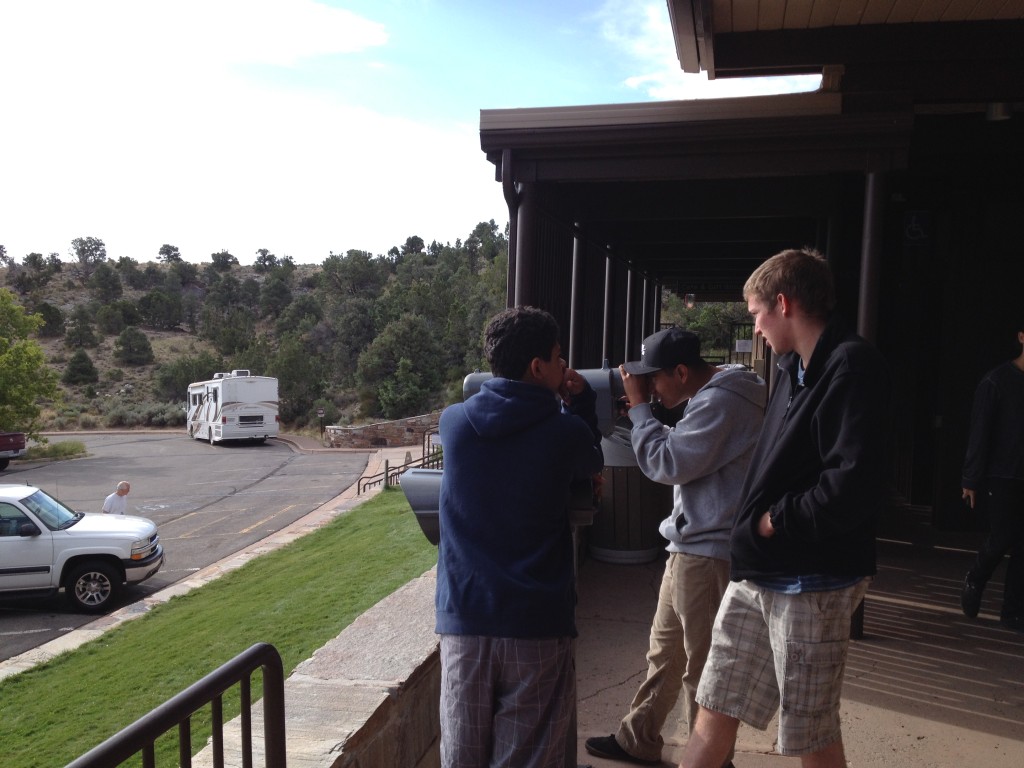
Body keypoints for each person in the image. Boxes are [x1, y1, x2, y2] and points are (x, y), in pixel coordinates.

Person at [680, 248, 890, 768]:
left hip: (812, 579)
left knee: (809, 734)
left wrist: (777, 519)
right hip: (758, 572)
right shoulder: (791, 368)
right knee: (714, 704)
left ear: (782, 303)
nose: (754, 329)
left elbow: (855, 484)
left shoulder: (852, 365)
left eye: (755, 314)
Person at [585, 328, 765, 767]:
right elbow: (685, 448)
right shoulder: (717, 392)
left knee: (701, 666)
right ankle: (638, 738)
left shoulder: (721, 401)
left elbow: (669, 462)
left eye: (655, 380)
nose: (649, 389)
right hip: (690, 545)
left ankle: (713, 757)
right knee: (665, 651)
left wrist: (643, 412)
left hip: (707, 553)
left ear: (682, 372)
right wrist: (638, 407)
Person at [435, 305, 604, 768]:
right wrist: (582, 403)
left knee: (462, 756)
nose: (564, 366)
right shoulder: (564, 430)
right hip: (536, 623)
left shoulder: (454, 424)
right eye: (558, 358)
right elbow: (591, 464)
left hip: (466, 619)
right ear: (537, 367)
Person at [959, 316, 1024, 632]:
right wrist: (971, 479)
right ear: (1022, 337)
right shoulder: (997, 381)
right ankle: (976, 577)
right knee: (1002, 537)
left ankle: (1012, 612)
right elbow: (980, 432)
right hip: (1002, 475)